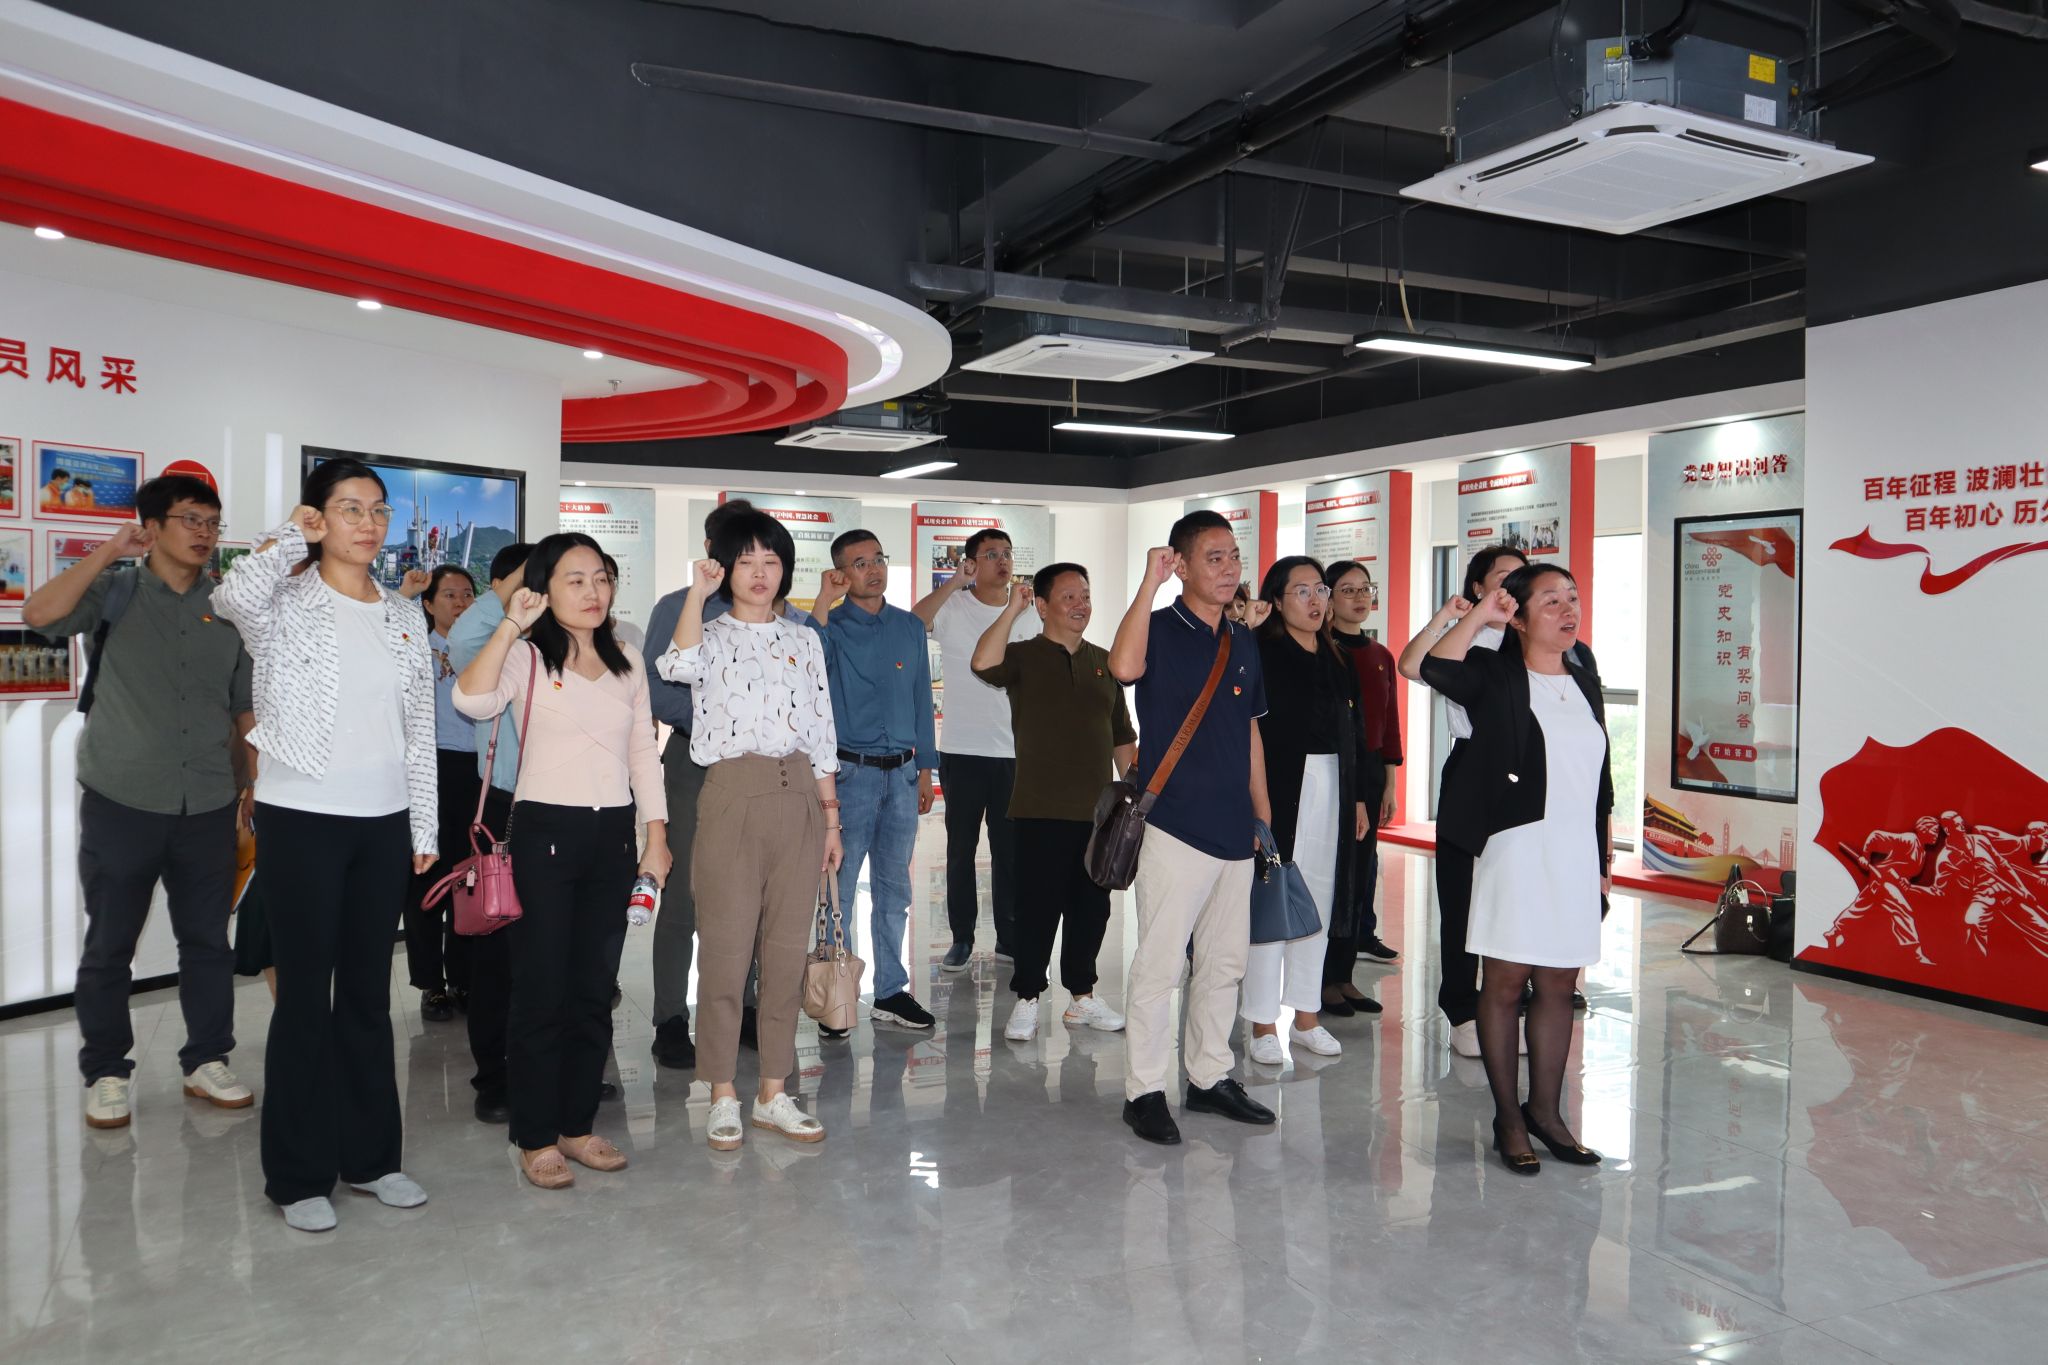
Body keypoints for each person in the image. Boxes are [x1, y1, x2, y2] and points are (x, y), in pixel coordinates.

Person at [213, 458, 437, 1232]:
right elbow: (229, 593)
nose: (368, 523)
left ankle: (372, 1158)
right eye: (348, 508)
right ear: (318, 517)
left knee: (370, 995)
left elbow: (419, 730)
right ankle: (298, 1173)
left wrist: (423, 827)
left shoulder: (403, 615)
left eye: (378, 509)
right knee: (306, 995)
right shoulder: (283, 600)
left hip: (383, 820)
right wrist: (288, 537)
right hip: (301, 814)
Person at [24, 474, 256, 1130]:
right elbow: (38, 615)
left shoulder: (228, 607)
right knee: (110, 945)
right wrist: (108, 551)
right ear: (151, 527)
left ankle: (206, 1058)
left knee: (207, 942)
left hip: (208, 800)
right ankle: (106, 1070)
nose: (205, 533)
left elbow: (243, 705)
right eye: (190, 519)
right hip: (122, 798)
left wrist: (252, 784)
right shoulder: (114, 591)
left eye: (212, 521)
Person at [454, 533, 670, 1189]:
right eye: (574, 579)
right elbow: (470, 700)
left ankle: (577, 1126)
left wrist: (656, 836)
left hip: (613, 836)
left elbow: (642, 752)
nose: (592, 591)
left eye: (600, 577)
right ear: (544, 589)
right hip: (543, 832)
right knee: (541, 990)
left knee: (593, 990)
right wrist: (511, 625)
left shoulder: (628, 660)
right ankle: (535, 1134)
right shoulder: (525, 656)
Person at [1418, 564, 1612, 1174]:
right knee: (1504, 984)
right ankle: (1508, 1118)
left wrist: (1603, 860)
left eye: (1572, 598)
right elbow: (1431, 667)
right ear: (1520, 617)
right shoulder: (1497, 674)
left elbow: (1602, 783)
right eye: (1551, 601)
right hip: (1518, 847)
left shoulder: (1585, 679)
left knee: (1559, 984)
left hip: (1575, 851)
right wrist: (1481, 613)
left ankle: (1546, 1113)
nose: (1567, 609)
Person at [658, 508, 841, 1149]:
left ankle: (773, 1091)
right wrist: (697, 593)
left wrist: (831, 818)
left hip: (800, 798)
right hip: (732, 794)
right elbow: (675, 666)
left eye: (771, 561)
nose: (761, 573)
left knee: (785, 956)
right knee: (726, 953)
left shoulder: (805, 639)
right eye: (746, 561)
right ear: (725, 569)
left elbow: (822, 729)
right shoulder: (709, 635)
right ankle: (721, 1093)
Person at [1109, 512, 1276, 1145]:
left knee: (1224, 963)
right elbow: (1124, 669)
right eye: (1214, 557)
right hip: (1175, 825)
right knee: (1159, 966)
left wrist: (1262, 813)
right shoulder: (1156, 627)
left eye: (1234, 556)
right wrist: (1148, 583)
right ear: (1180, 564)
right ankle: (1144, 1090)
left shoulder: (1242, 639)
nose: (1230, 568)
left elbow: (1251, 731)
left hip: (1235, 828)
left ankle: (1210, 1076)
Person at [641, 499, 811, 1069]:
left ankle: (748, 1008)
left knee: (760, 895)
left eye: (766, 556)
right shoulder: (680, 607)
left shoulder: (789, 619)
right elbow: (658, 690)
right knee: (688, 892)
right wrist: (723, 717)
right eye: (739, 552)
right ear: (713, 549)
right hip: (696, 762)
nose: (753, 567)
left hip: (771, 774)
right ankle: (671, 1016)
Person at [970, 563, 1135, 1042]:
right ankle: (1027, 998)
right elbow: (981, 663)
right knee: (1036, 910)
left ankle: (1082, 997)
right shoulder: (1023, 656)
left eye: (1085, 596)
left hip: (1098, 816)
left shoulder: (1105, 663)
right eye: (1068, 597)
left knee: (1092, 910)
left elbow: (1122, 737)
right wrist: (1011, 609)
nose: (1081, 605)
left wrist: (1136, 792)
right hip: (1038, 810)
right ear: (1042, 606)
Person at [1397, 544, 1526, 1058]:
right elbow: (1413, 666)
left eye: (1521, 577)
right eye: (1503, 577)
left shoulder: (1526, 637)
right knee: (1462, 901)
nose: (1513, 587)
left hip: (1522, 773)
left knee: (1511, 895)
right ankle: (1461, 1009)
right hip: (1472, 767)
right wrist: (1456, 617)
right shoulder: (1464, 637)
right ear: (1478, 587)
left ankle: (1510, 1001)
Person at [1241, 556, 1371, 1065]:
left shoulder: (1337, 657)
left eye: (1320, 589)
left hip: (1333, 785)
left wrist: (1357, 797)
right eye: (1302, 591)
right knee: (1272, 901)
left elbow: (1355, 736)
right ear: (1276, 601)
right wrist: (1255, 806)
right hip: (1279, 788)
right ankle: (1261, 1023)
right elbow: (1245, 732)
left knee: (1317, 900)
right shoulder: (1261, 652)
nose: (1316, 600)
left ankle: (1306, 1016)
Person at [811, 529, 938, 1031]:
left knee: (894, 889)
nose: (873, 570)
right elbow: (810, 663)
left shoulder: (909, 627)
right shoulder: (831, 627)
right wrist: (824, 599)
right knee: (839, 889)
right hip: (851, 777)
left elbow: (921, 699)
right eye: (860, 563)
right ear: (842, 573)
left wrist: (925, 769)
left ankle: (890, 991)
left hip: (902, 776)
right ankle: (836, 995)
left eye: (878, 559)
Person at [913, 527, 1040, 972]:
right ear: (971, 562)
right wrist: (954, 583)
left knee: (1010, 852)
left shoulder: (1028, 613)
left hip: (1012, 751)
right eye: (991, 554)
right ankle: (962, 938)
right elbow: (912, 623)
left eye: (1007, 553)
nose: (1002, 561)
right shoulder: (953, 607)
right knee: (960, 850)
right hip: (962, 750)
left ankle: (1009, 936)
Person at [446, 542, 533, 1124]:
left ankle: (554, 1064)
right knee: (498, 951)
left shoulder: (567, 639)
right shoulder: (496, 639)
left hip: (566, 806)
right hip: (505, 806)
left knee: (556, 949)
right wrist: (512, 590)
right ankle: (494, 1076)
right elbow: (460, 646)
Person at [1323, 560, 1401, 1017]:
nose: (1359, 597)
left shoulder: (1380, 654)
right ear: (1329, 597)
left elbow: (1389, 724)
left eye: (1365, 589)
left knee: (1360, 874)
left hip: (1370, 772)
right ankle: (1322, 979)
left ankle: (1345, 974)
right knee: (1333, 875)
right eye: (1347, 589)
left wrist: (1389, 783)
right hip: (1334, 770)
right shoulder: (1324, 650)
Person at [401, 564, 479, 1022]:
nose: (461, 602)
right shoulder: (413, 649)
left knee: (471, 878)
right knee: (428, 879)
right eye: (449, 595)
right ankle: (431, 983)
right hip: (428, 770)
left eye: (467, 594)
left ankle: (464, 977)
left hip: (477, 771)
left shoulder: (485, 649)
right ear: (428, 604)